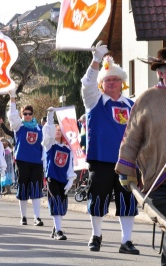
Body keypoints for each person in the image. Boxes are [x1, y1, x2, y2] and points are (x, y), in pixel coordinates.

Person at [81, 40, 139, 254]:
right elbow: (87, 84)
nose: (112, 83)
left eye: (116, 79)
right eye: (108, 80)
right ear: (102, 83)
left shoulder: (132, 105)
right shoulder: (94, 101)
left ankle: (127, 241)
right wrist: (96, 61)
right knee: (97, 199)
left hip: (127, 161)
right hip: (101, 159)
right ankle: (96, 236)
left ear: (122, 82)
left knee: (127, 202)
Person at [115, 47, 166, 265]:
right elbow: (131, 137)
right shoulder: (147, 99)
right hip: (157, 180)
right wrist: (126, 171)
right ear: (161, 72)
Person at [7, 89, 45, 226]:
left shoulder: (40, 128)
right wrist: (12, 98)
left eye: (29, 114)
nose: (27, 116)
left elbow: (46, 145)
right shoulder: (19, 126)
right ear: (22, 115)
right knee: (23, 189)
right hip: (22, 161)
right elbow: (12, 116)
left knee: (36, 190)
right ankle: (23, 217)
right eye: (25, 114)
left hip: (36, 162)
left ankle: (37, 217)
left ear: (33, 115)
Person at [42, 108, 76, 240]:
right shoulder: (50, 146)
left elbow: (69, 166)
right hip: (52, 178)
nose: (57, 132)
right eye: (56, 130)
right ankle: (59, 231)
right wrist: (50, 117)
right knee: (55, 202)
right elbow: (47, 136)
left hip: (63, 179)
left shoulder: (68, 149)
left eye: (60, 130)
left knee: (62, 205)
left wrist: (70, 180)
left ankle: (55, 228)